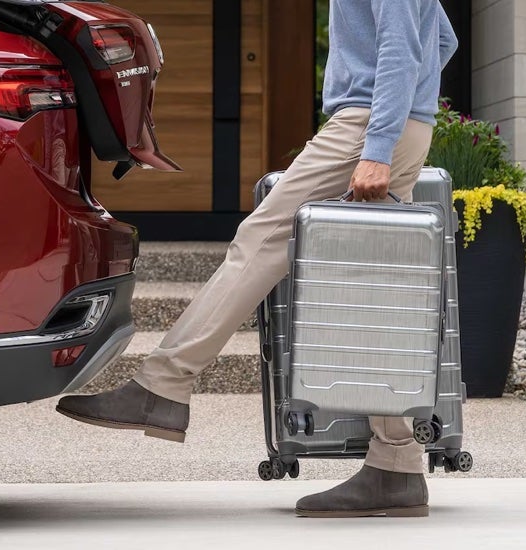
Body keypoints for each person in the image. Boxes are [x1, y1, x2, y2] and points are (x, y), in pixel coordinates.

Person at [56, 0, 459, 518]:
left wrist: (379, 144)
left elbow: (403, 45)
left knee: (263, 238)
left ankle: (164, 384)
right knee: (365, 288)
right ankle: (396, 465)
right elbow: (442, 40)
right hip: (394, 123)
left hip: (367, 127)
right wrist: (408, 115)